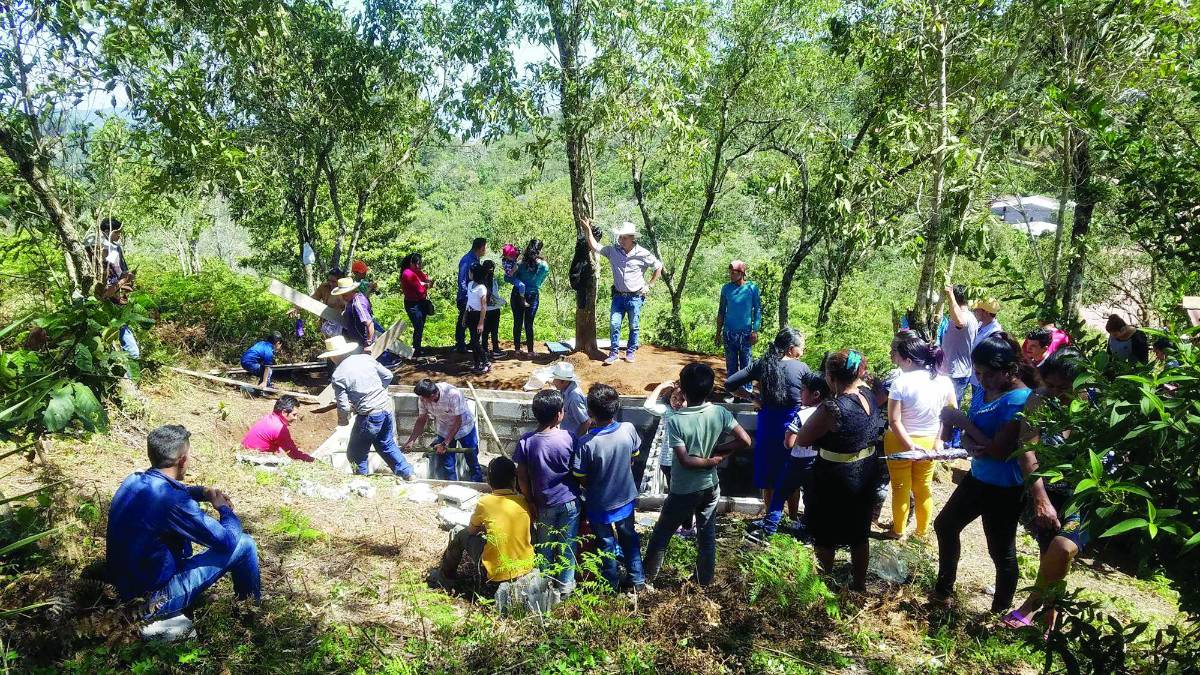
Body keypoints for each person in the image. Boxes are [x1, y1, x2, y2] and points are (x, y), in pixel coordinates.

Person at [106, 425, 260, 621]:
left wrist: (202, 492)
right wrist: (224, 509)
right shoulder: (175, 503)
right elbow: (227, 540)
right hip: (151, 602)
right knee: (245, 544)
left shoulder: (134, 480)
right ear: (183, 460)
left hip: (122, 589)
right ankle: (250, 617)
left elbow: (172, 492)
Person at [933, 333, 1036, 612]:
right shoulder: (982, 390)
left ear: (1009, 370)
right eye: (977, 373)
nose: (981, 380)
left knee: (1001, 552)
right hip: (978, 477)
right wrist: (967, 439)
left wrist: (963, 423)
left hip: (1005, 488)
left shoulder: (1019, 400)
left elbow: (1001, 450)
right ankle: (942, 592)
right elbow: (974, 438)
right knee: (945, 525)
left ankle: (999, 611)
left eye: (987, 374)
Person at [1004, 349, 1090, 631]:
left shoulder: (1098, 407)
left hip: (1086, 494)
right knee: (1050, 555)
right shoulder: (1039, 400)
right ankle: (1051, 619)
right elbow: (1027, 450)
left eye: (1062, 388)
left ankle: (1031, 605)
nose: (1054, 392)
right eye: (1049, 385)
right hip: (1048, 491)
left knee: (1062, 548)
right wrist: (1040, 499)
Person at [784, 350, 885, 592]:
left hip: (835, 475)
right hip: (865, 469)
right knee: (860, 532)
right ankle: (858, 584)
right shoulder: (869, 396)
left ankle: (823, 586)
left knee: (825, 533)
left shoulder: (833, 408)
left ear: (830, 377)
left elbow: (802, 438)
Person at [643, 364, 751, 586]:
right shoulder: (720, 412)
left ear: (682, 388)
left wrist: (710, 459)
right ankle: (704, 581)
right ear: (711, 388)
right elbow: (745, 440)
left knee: (661, 536)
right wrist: (720, 451)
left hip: (683, 489)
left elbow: (685, 460)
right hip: (711, 486)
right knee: (706, 534)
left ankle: (644, 581)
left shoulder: (677, 420)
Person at [725, 328, 811, 521]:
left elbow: (729, 384)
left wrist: (752, 397)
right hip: (792, 426)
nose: (802, 353)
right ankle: (793, 519)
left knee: (768, 474)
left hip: (767, 423)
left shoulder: (763, 364)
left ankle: (770, 516)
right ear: (790, 349)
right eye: (801, 348)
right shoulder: (802, 369)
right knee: (791, 472)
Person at [570, 383, 646, 592]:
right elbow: (633, 457)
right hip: (625, 499)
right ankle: (638, 580)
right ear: (617, 407)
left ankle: (610, 585)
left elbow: (580, 476)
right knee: (629, 537)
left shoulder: (586, 443)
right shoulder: (628, 429)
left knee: (605, 543)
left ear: (590, 412)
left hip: (599, 504)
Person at [883, 333, 956, 539]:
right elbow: (951, 415)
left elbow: (894, 420)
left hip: (899, 440)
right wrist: (939, 441)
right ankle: (922, 533)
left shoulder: (901, 382)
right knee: (923, 487)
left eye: (897, 356)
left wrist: (909, 446)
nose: (895, 359)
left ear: (908, 360)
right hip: (930, 441)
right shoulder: (944, 382)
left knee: (900, 487)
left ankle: (898, 531)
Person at [513, 389, 581, 594]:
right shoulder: (570, 438)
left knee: (545, 546)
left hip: (543, 504)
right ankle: (565, 587)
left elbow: (522, 477)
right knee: (567, 546)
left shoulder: (527, 441)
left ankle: (545, 586)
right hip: (569, 502)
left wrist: (529, 500)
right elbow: (578, 470)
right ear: (559, 414)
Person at [320, 335, 415, 479]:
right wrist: (378, 391)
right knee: (386, 444)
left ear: (333, 357)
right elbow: (388, 376)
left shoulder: (338, 375)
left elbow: (344, 406)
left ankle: (361, 481)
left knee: (355, 453)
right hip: (385, 408)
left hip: (369, 415)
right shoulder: (365, 359)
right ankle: (408, 473)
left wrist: (343, 421)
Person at [437, 457, 535, 589]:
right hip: (525, 568)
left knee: (458, 532)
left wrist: (482, 528)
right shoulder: (523, 501)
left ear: (489, 481)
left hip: (496, 574)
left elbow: (471, 531)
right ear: (514, 480)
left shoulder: (484, 502)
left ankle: (445, 577)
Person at [758, 371, 830, 538]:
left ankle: (769, 528)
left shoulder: (802, 415)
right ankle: (807, 532)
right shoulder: (828, 413)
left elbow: (789, 442)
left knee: (780, 494)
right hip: (818, 462)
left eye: (803, 390)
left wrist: (785, 442)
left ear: (815, 394)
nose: (800, 393)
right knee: (811, 498)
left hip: (797, 462)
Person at [583, 221, 663, 365]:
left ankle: (630, 351)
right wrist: (588, 229)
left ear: (632, 238)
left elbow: (658, 266)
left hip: (635, 297)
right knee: (614, 324)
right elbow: (594, 246)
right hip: (618, 296)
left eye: (624, 238)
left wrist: (649, 285)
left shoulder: (642, 253)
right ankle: (613, 353)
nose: (621, 240)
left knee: (634, 325)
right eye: (620, 237)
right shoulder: (613, 251)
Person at [404, 378, 483, 482]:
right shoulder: (423, 398)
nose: (422, 400)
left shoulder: (453, 394)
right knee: (448, 464)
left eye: (424, 398)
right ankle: (452, 487)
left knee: (472, 458)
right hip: (444, 429)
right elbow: (422, 419)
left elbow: (457, 422)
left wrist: (445, 444)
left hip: (464, 428)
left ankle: (477, 484)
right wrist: (411, 440)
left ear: (433, 395)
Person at [88, 217, 140, 361]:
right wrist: (123, 281)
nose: (119, 236)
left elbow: (115, 270)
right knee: (122, 338)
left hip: (109, 295)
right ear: (107, 231)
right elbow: (114, 271)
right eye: (117, 232)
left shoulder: (106, 247)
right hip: (109, 296)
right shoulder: (109, 248)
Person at [716, 260, 762, 399]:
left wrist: (755, 330)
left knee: (746, 366)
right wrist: (718, 332)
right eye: (730, 272)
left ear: (741, 273)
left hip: (746, 334)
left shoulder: (752, 288)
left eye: (734, 272)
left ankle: (746, 395)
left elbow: (757, 309)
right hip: (729, 333)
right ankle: (732, 392)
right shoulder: (726, 288)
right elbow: (721, 310)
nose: (730, 274)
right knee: (731, 365)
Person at [642, 380, 687, 508]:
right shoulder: (667, 410)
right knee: (674, 492)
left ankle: (683, 518)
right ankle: (678, 517)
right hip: (667, 461)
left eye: (682, 399)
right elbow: (648, 406)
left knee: (682, 492)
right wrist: (661, 387)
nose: (677, 402)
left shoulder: (690, 412)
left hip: (684, 461)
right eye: (674, 397)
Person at [241, 395, 315, 462]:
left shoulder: (268, 418)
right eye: (294, 415)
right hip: (253, 459)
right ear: (284, 412)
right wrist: (312, 460)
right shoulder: (279, 429)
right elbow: (293, 454)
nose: (295, 418)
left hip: (244, 453)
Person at [510, 239, 550, 358]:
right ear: (540, 250)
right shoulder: (543, 265)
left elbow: (511, 276)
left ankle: (517, 349)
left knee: (517, 322)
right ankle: (530, 351)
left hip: (517, 294)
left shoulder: (520, 262)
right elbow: (541, 280)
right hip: (532, 295)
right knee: (529, 324)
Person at [939, 284, 976, 404]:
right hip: (952, 372)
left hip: (956, 374)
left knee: (950, 410)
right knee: (944, 408)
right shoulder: (963, 316)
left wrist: (950, 297)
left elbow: (960, 321)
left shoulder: (965, 316)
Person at [456, 238, 488, 353]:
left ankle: (471, 343)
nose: (486, 250)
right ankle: (460, 344)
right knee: (463, 320)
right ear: (481, 248)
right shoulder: (467, 260)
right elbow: (462, 280)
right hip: (466, 296)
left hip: (473, 295)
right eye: (485, 247)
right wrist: (467, 296)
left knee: (472, 320)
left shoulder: (476, 259)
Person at [400, 254, 434, 358]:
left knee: (420, 326)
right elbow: (420, 290)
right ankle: (416, 349)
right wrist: (426, 285)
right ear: (411, 263)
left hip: (420, 303)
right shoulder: (408, 274)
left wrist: (426, 282)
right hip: (413, 304)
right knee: (418, 326)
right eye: (418, 264)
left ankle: (417, 347)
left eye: (420, 263)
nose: (420, 266)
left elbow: (425, 278)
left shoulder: (416, 272)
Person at [463, 262, 492, 374]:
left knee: (476, 342)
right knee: (473, 341)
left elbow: (484, 306)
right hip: (470, 314)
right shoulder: (470, 285)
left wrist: (481, 322)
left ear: (474, 273)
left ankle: (486, 362)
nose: (469, 273)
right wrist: (465, 315)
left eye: (470, 271)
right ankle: (476, 364)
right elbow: (469, 301)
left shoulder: (482, 288)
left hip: (478, 315)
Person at [331, 277, 376, 348]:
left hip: (363, 343)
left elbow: (370, 324)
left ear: (352, 291)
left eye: (345, 295)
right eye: (342, 295)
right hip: (355, 341)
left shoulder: (358, 304)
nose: (343, 298)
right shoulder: (352, 300)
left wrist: (369, 343)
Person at [550, 362, 589, 436]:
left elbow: (586, 422)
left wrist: (575, 441)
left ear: (565, 381)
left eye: (556, 379)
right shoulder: (564, 390)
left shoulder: (574, 398)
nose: (553, 382)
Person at [312, 267, 348, 336]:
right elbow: (312, 299)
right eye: (329, 281)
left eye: (334, 282)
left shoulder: (347, 290)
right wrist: (297, 307)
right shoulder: (324, 287)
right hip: (328, 325)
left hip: (344, 325)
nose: (331, 283)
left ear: (340, 281)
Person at [482, 259, 505, 359]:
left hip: (485, 309)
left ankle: (484, 350)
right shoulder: (493, 281)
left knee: (485, 331)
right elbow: (495, 294)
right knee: (494, 330)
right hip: (495, 309)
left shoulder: (480, 282)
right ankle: (495, 349)